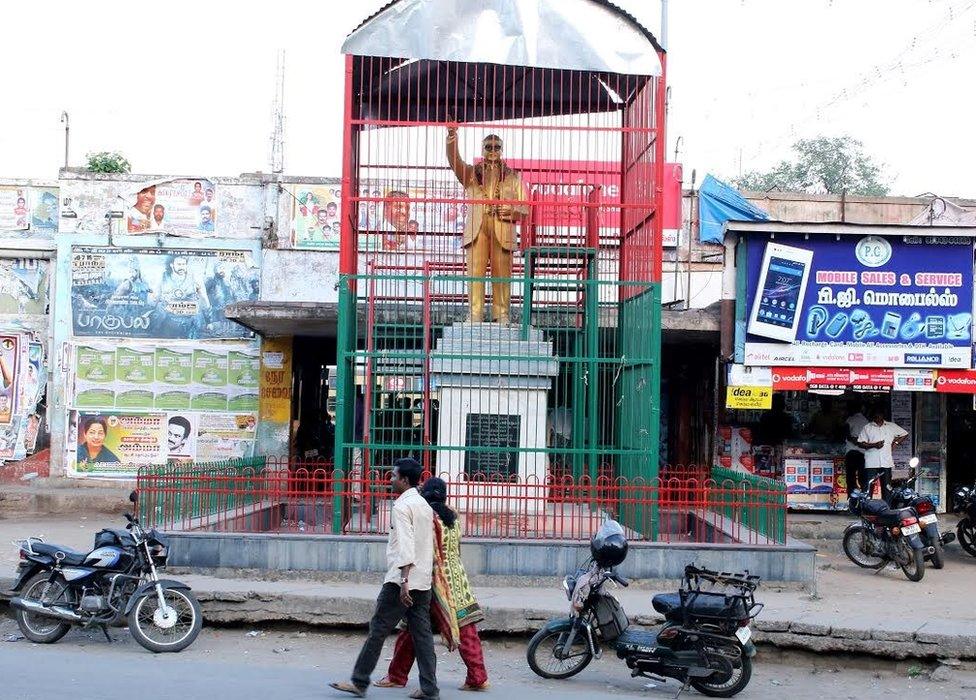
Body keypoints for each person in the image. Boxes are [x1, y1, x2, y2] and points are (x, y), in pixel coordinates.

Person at [330, 458, 439, 700]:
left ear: (405, 480)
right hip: (422, 579)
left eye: (393, 476)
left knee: (378, 628)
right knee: (422, 636)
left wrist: (403, 582)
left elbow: (406, 545)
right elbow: (427, 543)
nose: (390, 480)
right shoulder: (423, 504)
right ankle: (430, 688)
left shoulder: (401, 507)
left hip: (402, 580)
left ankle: (359, 681)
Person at [376, 477, 489, 692]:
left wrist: (405, 578)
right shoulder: (453, 517)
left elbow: (417, 549)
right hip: (457, 579)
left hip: (432, 580)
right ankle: (478, 677)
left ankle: (397, 676)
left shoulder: (425, 516)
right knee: (466, 629)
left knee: (411, 629)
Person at [446, 126, 528, 324]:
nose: (493, 151)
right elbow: (454, 161)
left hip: (503, 227)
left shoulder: (514, 177)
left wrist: (511, 211)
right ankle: (475, 313)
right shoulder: (470, 174)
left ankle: (502, 314)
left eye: (496, 147)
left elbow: (526, 208)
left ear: (502, 149)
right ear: (482, 149)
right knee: (475, 273)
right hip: (477, 228)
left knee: (503, 274)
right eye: (488, 147)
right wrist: (452, 137)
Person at [857, 405, 909, 498]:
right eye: (875, 416)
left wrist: (895, 443)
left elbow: (904, 433)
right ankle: (868, 507)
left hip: (886, 462)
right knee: (869, 487)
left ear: (882, 415)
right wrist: (874, 445)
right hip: (872, 462)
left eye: (879, 415)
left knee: (887, 487)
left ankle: (887, 508)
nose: (877, 417)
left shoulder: (891, 426)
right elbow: (860, 443)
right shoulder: (867, 427)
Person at [844, 401, 868, 497]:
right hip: (862, 453)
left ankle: (851, 498)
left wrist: (855, 440)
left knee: (851, 478)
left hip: (851, 452)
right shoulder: (866, 421)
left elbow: (846, 434)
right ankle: (865, 498)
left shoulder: (850, 419)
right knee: (863, 478)